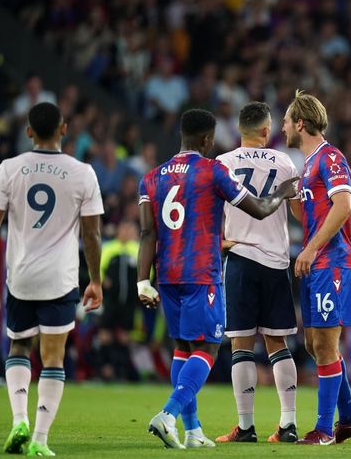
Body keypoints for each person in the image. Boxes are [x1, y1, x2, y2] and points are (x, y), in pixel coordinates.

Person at [138, 108, 297, 449]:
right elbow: (259, 207)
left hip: (167, 273)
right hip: (203, 270)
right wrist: (283, 192)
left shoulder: (153, 176)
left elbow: (147, 232)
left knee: (183, 347)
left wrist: (142, 281)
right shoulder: (213, 170)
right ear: (208, 139)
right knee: (210, 346)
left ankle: (194, 430)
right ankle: (168, 415)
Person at [1, 102, 103, 457]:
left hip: (21, 277)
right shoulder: (83, 173)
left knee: (18, 347)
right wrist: (96, 280)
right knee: (54, 358)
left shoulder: (8, 169)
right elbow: (91, 235)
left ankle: (18, 420)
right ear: (64, 129)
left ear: (29, 131)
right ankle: (40, 440)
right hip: (60, 279)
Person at [214, 101, 302, 444]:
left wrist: (218, 241)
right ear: (266, 131)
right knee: (278, 343)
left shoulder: (223, 163)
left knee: (241, 344)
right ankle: (288, 424)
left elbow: (209, 211)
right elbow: (297, 211)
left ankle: (246, 427)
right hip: (277, 261)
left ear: (240, 130)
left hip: (239, 258)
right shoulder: (284, 161)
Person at [281, 91, 351, 445]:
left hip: (332, 262)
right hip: (318, 263)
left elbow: (343, 206)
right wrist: (292, 196)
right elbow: (309, 215)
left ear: (300, 124)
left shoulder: (330, 158)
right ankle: (348, 419)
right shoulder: (309, 165)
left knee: (326, 346)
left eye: (286, 120)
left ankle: (323, 429)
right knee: (315, 345)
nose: (283, 126)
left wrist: (311, 249)